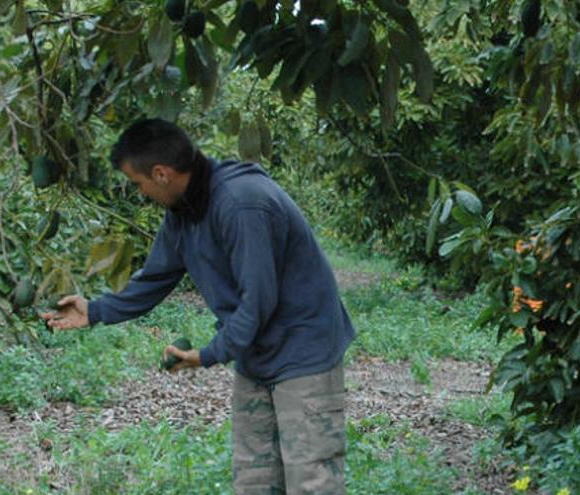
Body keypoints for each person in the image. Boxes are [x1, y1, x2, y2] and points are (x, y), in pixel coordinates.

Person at [41, 118, 354, 494]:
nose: (139, 193)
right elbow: (157, 276)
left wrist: (207, 354)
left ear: (160, 174)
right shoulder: (185, 211)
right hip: (256, 355)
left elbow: (258, 301)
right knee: (255, 479)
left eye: (137, 183)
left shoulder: (242, 203)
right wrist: (96, 311)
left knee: (311, 482)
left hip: (304, 353)